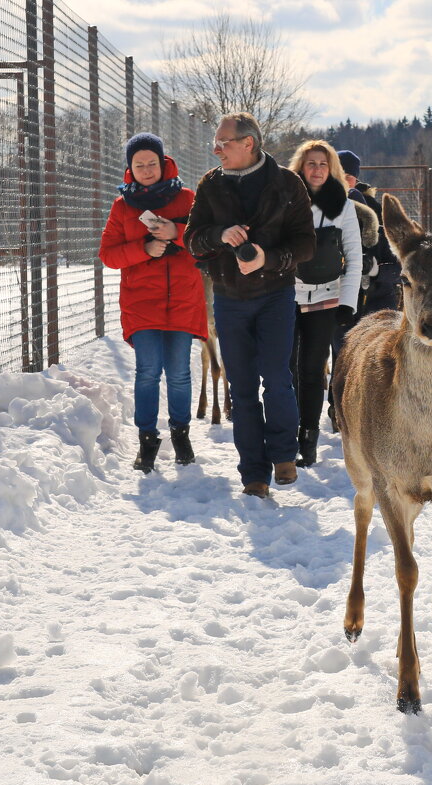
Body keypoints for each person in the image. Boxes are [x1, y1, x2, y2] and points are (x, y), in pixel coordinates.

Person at [184, 112, 315, 499]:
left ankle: (283, 456)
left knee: (276, 378)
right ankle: (253, 474)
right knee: (240, 387)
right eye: (216, 142)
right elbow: (192, 239)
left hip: (275, 295)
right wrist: (220, 234)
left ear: (248, 144)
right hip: (229, 299)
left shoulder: (288, 184)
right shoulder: (210, 184)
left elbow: (306, 244)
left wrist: (266, 259)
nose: (216, 149)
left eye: (223, 142)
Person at [99, 132, 208, 473]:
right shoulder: (122, 207)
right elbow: (108, 255)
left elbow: (206, 245)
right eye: (139, 164)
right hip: (141, 303)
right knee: (147, 373)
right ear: (129, 169)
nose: (147, 169)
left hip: (183, 301)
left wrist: (176, 233)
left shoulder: (188, 199)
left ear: (163, 164)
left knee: (178, 374)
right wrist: (142, 250)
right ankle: (147, 439)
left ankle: (181, 434)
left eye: (152, 163)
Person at [287, 141, 375, 467]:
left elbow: (354, 258)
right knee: (286, 369)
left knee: (311, 371)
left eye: (323, 164)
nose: (317, 169)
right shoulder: (287, 202)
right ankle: (286, 433)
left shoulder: (345, 206)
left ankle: (307, 440)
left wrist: (347, 304)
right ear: (301, 166)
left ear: (332, 168)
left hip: (326, 298)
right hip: (287, 296)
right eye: (311, 163)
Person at [336, 149, 402, 316]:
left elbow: (401, 267)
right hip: (339, 298)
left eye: (348, 177)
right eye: (338, 176)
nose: (343, 181)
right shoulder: (321, 211)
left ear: (356, 180)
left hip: (378, 299)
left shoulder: (376, 212)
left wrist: (376, 270)